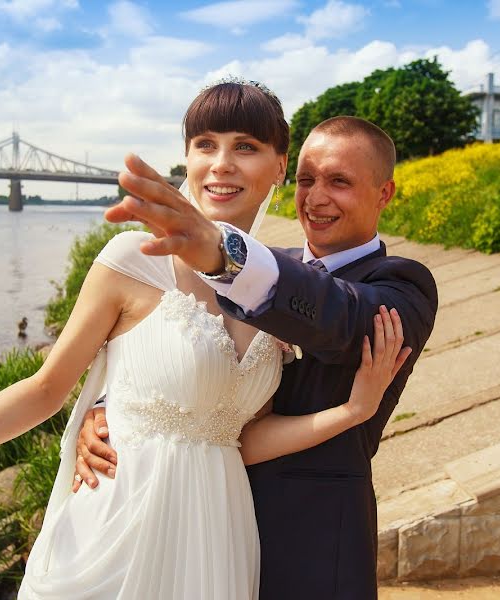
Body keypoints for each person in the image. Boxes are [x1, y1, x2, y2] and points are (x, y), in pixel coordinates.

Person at [0, 80, 410, 600]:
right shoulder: (133, 256)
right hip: (120, 521)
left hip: (219, 538)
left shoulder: (283, 288)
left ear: (278, 166)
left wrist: (353, 412)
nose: (221, 162)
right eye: (205, 144)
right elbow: (46, 390)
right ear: (186, 158)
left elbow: (246, 435)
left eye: (245, 146)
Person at [77, 111, 438, 598]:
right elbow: (182, 360)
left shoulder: (400, 286)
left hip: (310, 542)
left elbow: (340, 317)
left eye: (340, 182)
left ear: (384, 194)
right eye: (307, 179)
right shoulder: (271, 263)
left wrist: (223, 253)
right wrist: (109, 410)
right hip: (201, 526)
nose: (316, 198)